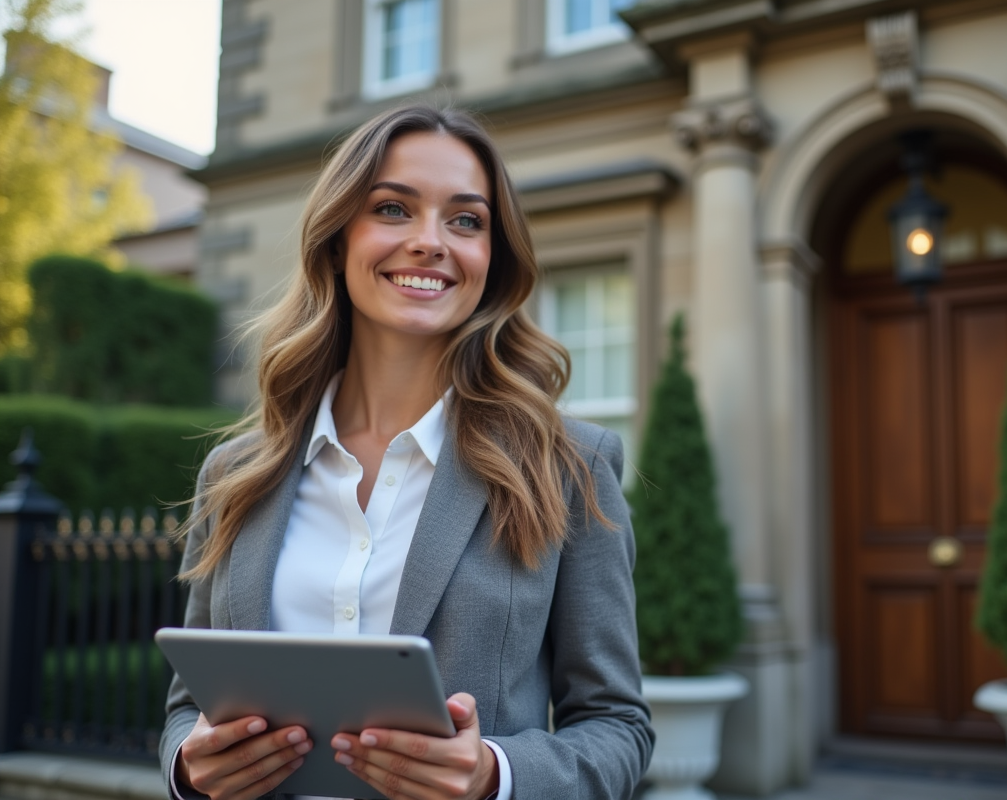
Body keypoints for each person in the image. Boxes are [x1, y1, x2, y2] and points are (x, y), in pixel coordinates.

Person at [159, 105, 652, 800]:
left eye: (466, 220)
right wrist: (189, 765)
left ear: (493, 257)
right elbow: (188, 706)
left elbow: (617, 727)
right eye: (392, 209)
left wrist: (494, 776)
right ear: (336, 240)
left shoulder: (569, 466)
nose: (430, 242)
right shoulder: (235, 476)